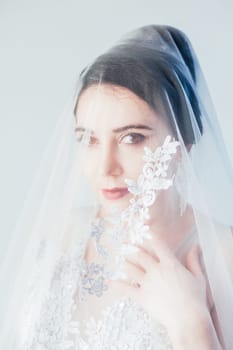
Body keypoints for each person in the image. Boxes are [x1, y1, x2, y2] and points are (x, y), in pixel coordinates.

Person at [0, 25, 232, 350]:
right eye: (89, 139)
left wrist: (192, 326)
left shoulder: (223, 256)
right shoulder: (63, 231)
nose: (105, 168)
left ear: (183, 143)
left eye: (131, 138)